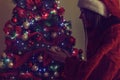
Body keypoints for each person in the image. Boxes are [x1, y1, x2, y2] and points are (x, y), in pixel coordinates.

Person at [48, 0, 120, 80]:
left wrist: (66, 60)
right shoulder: (100, 34)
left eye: (83, 12)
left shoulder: (114, 36)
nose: (80, 17)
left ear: (94, 13)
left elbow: (95, 74)